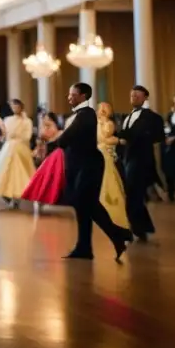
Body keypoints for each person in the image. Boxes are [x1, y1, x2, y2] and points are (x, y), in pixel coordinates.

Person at [47, 83, 130, 261]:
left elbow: (67, 137)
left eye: (73, 94)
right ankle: (92, 245)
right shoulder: (80, 114)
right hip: (80, 166)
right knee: (84, 206)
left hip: (89, 166)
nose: (69, 97)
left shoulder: (87, 114)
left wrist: (53, 143)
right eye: (69, 94)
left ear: (83, 96)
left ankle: (117, 234)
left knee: (87, 204)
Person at [116, 85, 165, 242]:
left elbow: (159, 137)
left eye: (137, 95)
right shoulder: (127, 116)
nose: (134, 98)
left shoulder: (152, 117)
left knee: (133, 194)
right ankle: (141, 227)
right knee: (133, 195)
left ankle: (137, 228)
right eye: (132, 95)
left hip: (141, 160)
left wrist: (141, 137)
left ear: (145, 98)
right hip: (127, 159)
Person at [0, 99, 35, 208]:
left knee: (19, 173)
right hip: (8, 148)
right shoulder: (8, 119)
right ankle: (6, 194)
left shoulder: (26, 121)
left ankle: (17, 197)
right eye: (12, 107)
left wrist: (14, 136)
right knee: (4, 171)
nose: (14, 108)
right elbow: (5, 134)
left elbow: (27, 136)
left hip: (20, 148)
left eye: (16, 106)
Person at [96, 102, 130, 232]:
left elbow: (105, 137)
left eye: (105, 109)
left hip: (107, 154)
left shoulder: (109, 124)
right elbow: (100, 139)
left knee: (110, 178)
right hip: (98, 153)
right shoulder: (95, 124)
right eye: (101, 109)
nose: (102, 111)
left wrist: (114, 139)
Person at [21, 112, 67, 208]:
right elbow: (40, 148)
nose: (45, 121)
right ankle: (40, 199)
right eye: (44, 119)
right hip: (48, 160)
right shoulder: (43, 132)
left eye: (48, 119)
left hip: (59, 159)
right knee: (42, 179)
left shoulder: (60, 132)